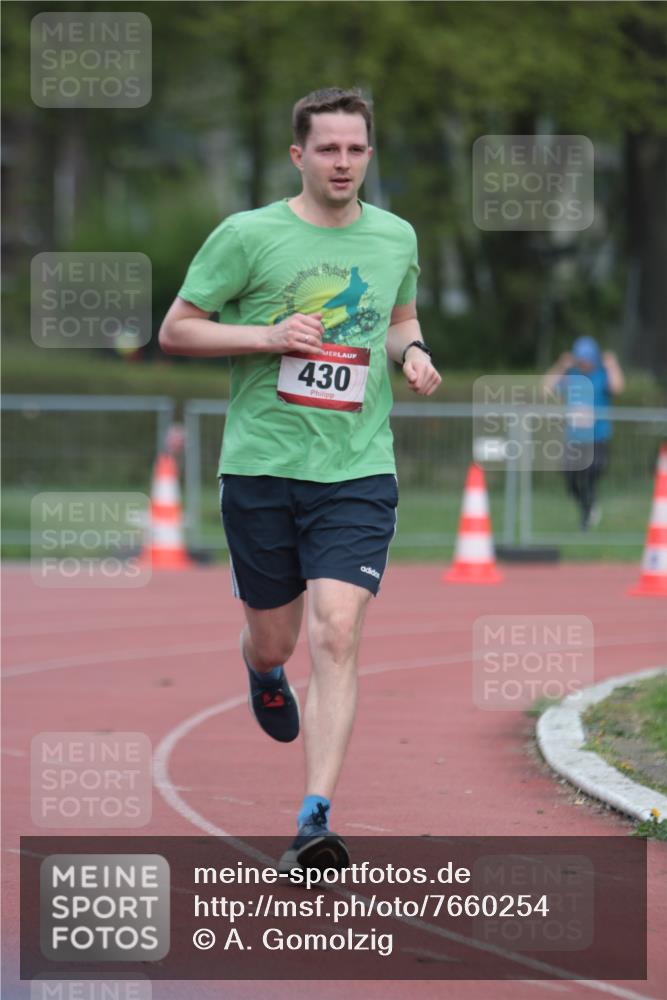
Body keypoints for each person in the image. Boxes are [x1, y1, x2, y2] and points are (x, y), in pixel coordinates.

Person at [159, 87, 441, 872]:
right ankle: (259, 668)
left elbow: (398, 318)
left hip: (355, 469)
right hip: (261, 467)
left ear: (369, 155)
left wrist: (413, 354)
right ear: (299, 156)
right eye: (327, 149)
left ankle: (313, 818)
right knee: (276, 636)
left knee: (338, 632)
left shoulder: (395, 237)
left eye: (355, 149)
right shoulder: (247, 235)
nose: (342, 162)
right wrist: (268, 334)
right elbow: (176, 328)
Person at [543, 336, 624, 529]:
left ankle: (587, 517)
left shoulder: (602, 374)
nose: (584, 363)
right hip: (575, 438)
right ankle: (588, 506)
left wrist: (612, 365)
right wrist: (561, 366)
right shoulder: (571, 375)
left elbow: (618, 387)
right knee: (570, 479)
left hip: (597, 437)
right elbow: (546, 389)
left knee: (589, 474)